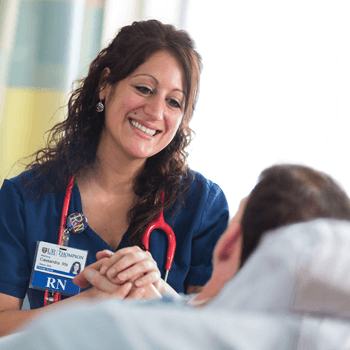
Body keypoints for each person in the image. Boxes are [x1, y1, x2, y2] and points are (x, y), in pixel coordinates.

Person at [0, 19, 229, 336]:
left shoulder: (202, 206)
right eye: (144, 89)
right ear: (105, 84)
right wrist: (91, 301)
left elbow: (218, 333)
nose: (155, 111)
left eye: (173, 101)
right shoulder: (27, 198)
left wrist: (161, 295)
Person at [2, 163, 350, 349]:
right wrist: (162, 299)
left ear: (228, 244)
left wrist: (104, 302)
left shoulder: (96, 333)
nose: (156, 112)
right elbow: (202, 308)